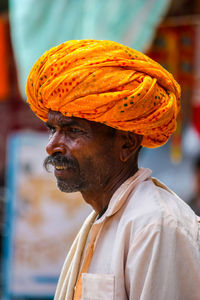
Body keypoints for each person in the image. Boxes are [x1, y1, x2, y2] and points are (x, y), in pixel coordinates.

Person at [26, 40, 200, 300]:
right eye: (53, 130)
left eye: (73, 131)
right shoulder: (103, 219)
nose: (53, 146)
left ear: (127, 143)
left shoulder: (156, 226)